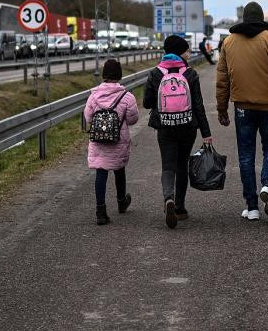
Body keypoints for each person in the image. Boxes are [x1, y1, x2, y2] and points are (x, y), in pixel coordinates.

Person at [216, 1, 268, 220]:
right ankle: (267, 185)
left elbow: (222, 79)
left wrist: (222, 108)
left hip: (242, 109)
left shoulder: (228, 43)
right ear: (262, 18)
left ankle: (252, 207)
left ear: (244, 18)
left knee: (246, 156)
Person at [144, 35, 213, 228]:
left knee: (168, 166)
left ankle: (168, 199)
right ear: (180, 52)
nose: (189, 54)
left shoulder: (155, 73)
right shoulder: (190, 74)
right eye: (187, 50)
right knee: (182, 164)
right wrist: (206, 133)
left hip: (164, 127)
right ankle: (181, 208)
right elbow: (198, 106)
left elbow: (147, 103)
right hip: (187, 126)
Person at [83, 58, 140, 225]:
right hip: (118, 140)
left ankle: (101, 210)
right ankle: (122, 201)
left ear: (103, 75)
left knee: (101, 172)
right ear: (120, 75)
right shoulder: (127, 97)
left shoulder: (94, 96)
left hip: (98, 140)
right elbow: (133, 119)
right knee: (119, 169)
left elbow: (88, 118)